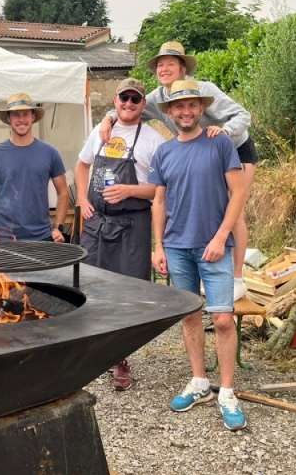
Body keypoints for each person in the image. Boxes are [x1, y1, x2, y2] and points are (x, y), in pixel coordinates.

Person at [100, 42, 257, 301]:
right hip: (194, 152)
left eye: (170, 63)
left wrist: (225, 132)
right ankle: (198, 258)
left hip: (233, 146)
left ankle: (237, 278)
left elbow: (242, 115)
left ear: (183, 68)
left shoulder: (205, 90)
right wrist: (108, 119)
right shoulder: (159, 97)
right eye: (160, 65)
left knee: (234, 209)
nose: (164, 69)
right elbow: (129, 106)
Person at [149, 79, 248, 431]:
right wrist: (158, 245)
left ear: (201, 109)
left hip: (213, 244)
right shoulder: (164, 151)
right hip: (176, 246)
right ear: (170, 112)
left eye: (192, 105)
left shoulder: (219, 142)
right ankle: (200, 383)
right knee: (190, 315)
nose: (186, 111)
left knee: (222, 319)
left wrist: (221, 237)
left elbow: (238, 193)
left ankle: (227, 392)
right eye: (179, 106)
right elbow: (159, 201)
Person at [74, 78, 165, 391]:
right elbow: (82, 166)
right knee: (90, 288)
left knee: (126, 294)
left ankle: (121, 360)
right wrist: (83, 199)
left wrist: (130, 190)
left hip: (131, 226)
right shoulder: (101, 131)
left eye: (135, 100)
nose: (128, 104)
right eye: (124, 98)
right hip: (96, 224)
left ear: (143, 105)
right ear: (115, 100)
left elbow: (160, 189)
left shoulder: (154, 141)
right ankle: (91, 353)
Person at [0, 93, 68, 243]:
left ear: (33, 117)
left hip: (41, 236)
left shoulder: (50, 153)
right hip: (2, 236)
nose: (21, 120)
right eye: (16, 115)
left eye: (26, 114)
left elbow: (63, 192)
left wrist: (58, 228)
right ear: (8, 118)